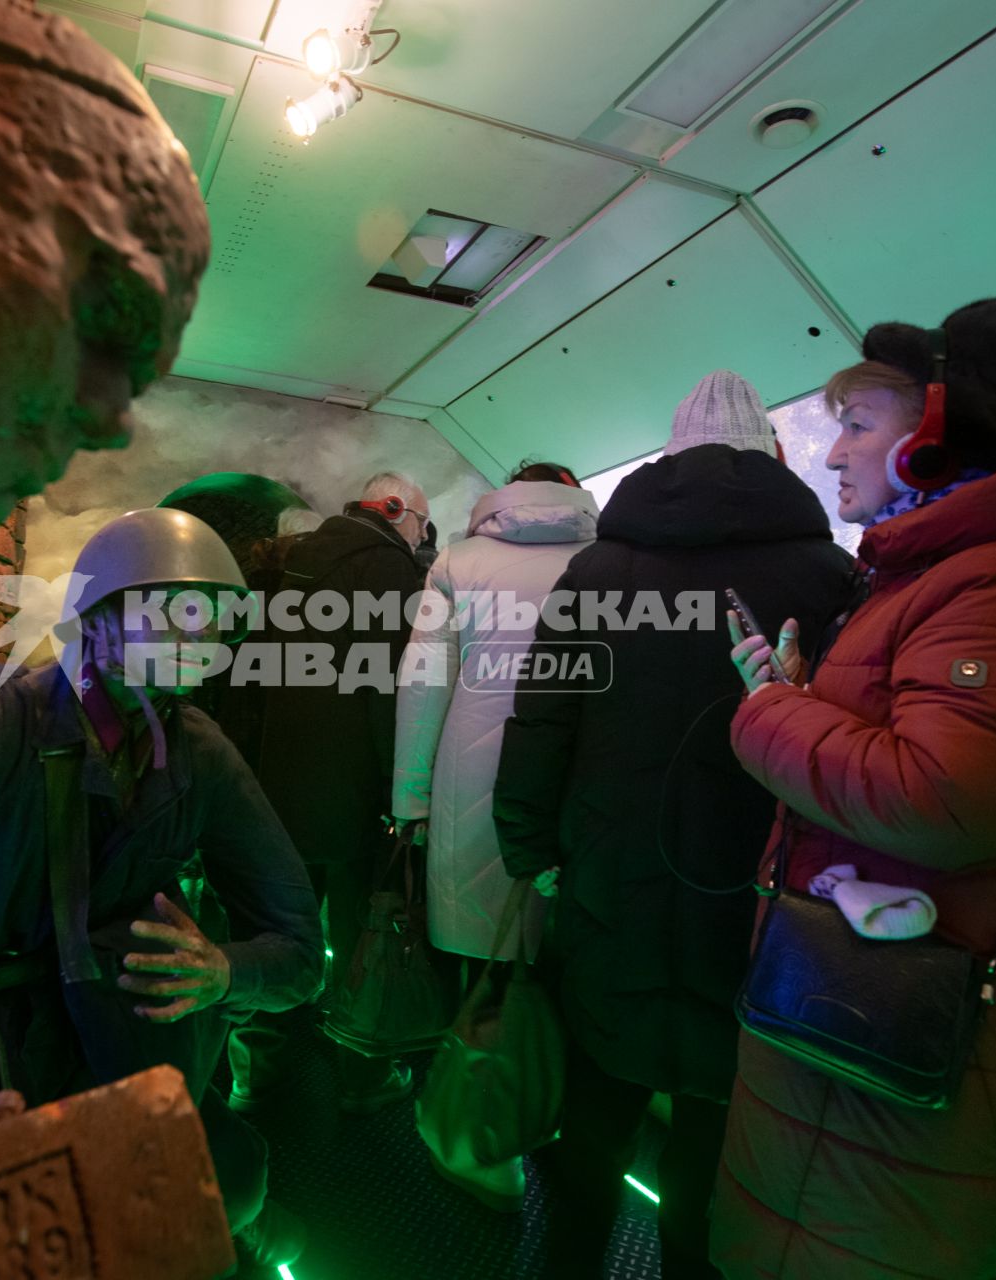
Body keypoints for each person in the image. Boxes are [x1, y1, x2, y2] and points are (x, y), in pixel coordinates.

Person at [715, 300, 996, 1278]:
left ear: (942, 437)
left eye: (859, 424)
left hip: (919, 1078)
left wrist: (770, 715)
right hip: (871, 1038)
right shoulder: (951, 571)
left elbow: (946, 797)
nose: (833, 454)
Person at [0, 508, 322, 1270]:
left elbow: (298, 949)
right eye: (178, 618)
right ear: (96, 624)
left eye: (218, 625)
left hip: (102, 1040)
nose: (203, 644)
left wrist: (226, 973)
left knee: (224, 1186)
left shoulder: (198, 751)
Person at [494, 373, 855, 1277]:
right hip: (754, 898)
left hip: (611, 876)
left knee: (594, 1119)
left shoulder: (601, 569)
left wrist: (532, 847)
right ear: (774, 454)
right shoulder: (829, 573)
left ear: (668, 455)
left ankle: (567, 1262)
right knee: (715, 1142)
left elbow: (544, 718)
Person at [392, 459, 598, 1209]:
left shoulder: (456, 562)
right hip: (575, 790)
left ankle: (476, 1135)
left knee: (478, 965)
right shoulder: (606, 562)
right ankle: (546, 1113)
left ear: (503, 495)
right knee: (553, 966)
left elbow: (423, 688)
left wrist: (410, 804)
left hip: (468, 788)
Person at [229, 471, 431, 1114]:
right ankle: (361, 1072)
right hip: (354, 799)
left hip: (269, 792)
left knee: (269, 928)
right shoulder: (393, 574)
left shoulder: (283, 562)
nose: (423, 540)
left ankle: (255, 1071)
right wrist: (405, 798)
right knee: (358, 939)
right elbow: (392, 698)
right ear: (398, 512)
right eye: (423, 527)